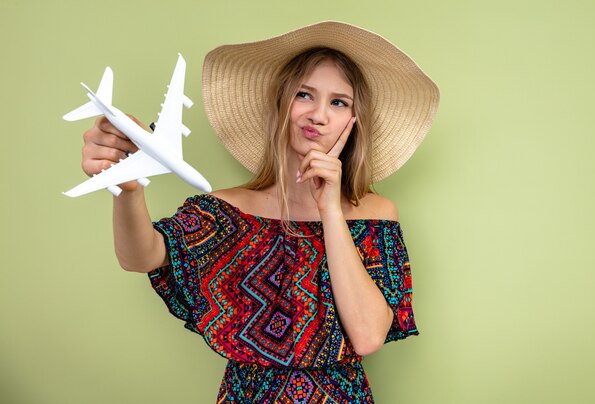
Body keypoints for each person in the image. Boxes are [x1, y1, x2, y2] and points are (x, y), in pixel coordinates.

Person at [80, 21, 439, 403]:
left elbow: (368, 337)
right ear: (280, 104)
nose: (318, 115)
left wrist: (330, 210)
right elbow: (141, 256)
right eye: (304, 94)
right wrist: (128, 188)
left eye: (339, 102)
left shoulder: (375, 215)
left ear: (353, 122)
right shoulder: (226, 212)